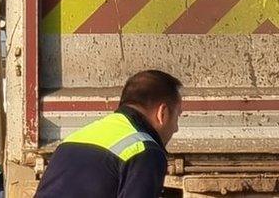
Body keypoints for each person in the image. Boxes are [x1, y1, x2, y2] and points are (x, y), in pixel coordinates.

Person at [35, 70, 183, 198]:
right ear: (162, 113)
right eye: (177, 116)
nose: (176, 128)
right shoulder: (145, 150)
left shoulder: (74, 139)